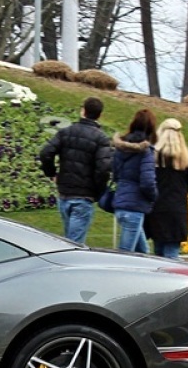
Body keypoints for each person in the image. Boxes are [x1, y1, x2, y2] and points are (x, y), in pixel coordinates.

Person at [39, 97, 113, 244]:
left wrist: (52, 173)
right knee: (74, 244)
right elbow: (103, 169)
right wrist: (99, 192)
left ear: (83, 111)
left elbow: (45, 153)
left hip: (65, 192)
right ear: (100, 115)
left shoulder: (66, 132)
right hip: (84, 196)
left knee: (69, 241)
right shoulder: (101, 139)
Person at [146, 118, 188, 259]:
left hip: (156, 208)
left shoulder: (153, 156)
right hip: (177, 209)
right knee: (172, 254)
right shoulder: (186, 158)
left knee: (158, 253)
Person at [111, 109, 159, 254]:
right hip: (134, 207)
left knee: (143, 252)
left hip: (121, 204)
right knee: (125, 255)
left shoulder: (120, 148)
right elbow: (147, 182)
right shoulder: (146, 152)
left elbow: (115, 173)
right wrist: (153, 197)